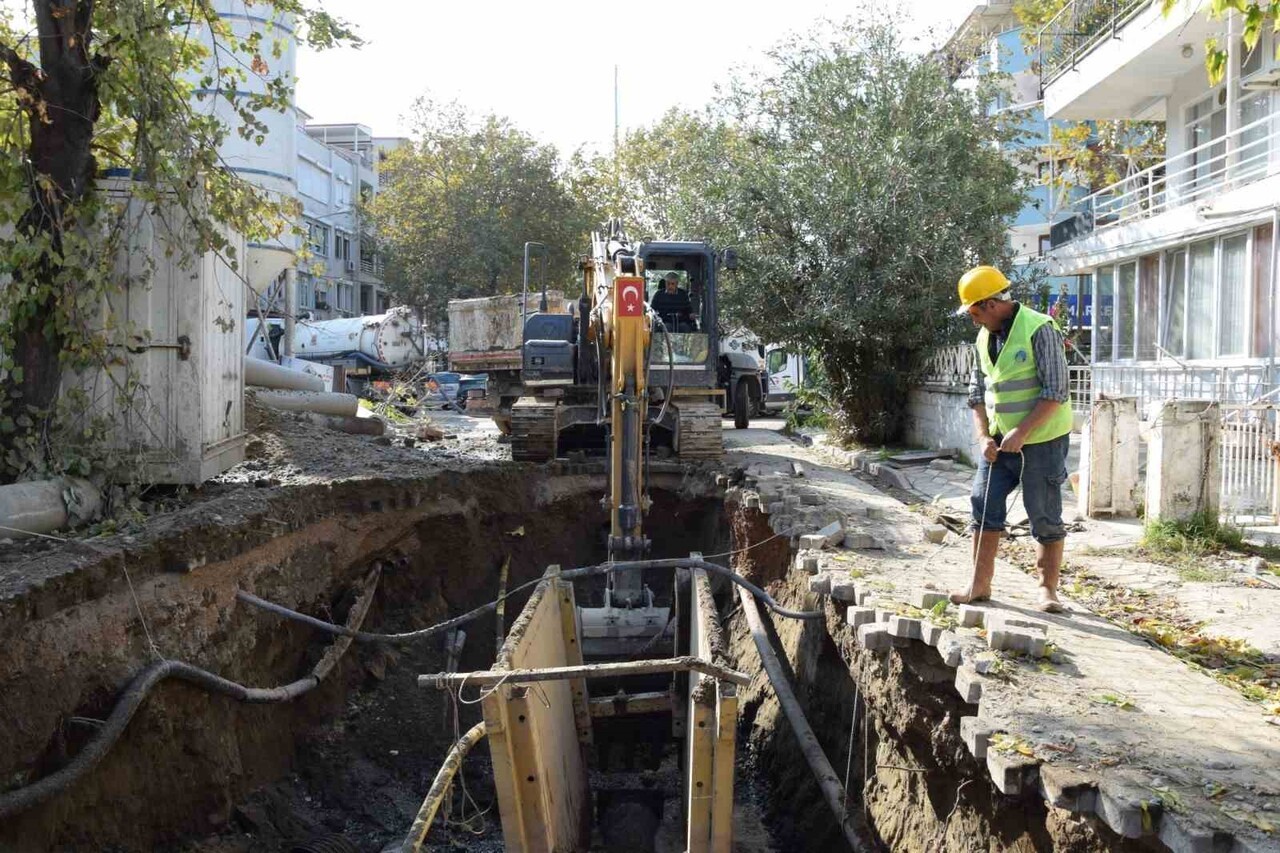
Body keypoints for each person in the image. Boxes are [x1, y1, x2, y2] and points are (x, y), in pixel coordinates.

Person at [950, 266, 1073, 613]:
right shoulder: (983, 337)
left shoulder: (1039, 329)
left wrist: (1023, 432)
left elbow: (1056, 391)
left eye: (974, 312)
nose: (973, 320)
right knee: (982, 503)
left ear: (990, 304)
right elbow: (977, 393)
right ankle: (979, 585)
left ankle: (1047, 590)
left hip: (1043, 441)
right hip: (999, 443)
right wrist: (982, 436)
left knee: (1044, 513)